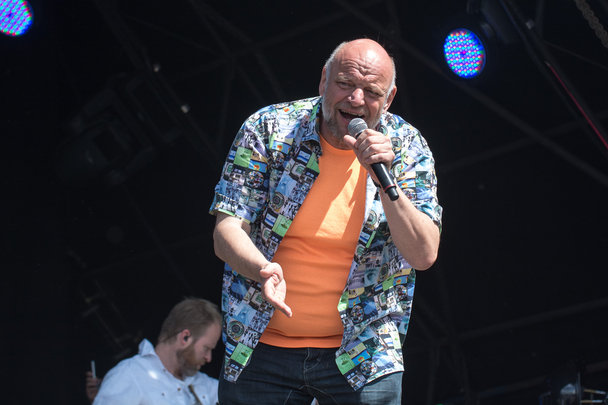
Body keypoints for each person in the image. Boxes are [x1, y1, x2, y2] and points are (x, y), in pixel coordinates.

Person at [210, 38, 442, 404]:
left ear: (389, 98)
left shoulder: (408, 147)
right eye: (345, 84)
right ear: (323, 80)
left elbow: (423, 254)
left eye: (372, 92)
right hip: (261, 343)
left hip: (364, 348)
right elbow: (227, 231)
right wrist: (262, 269)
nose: (356, 99)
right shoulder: (270, 128)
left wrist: (385, 182)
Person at [91, 298, 222, 405]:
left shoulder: (204, 384)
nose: (209, 358)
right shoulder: (129, 376)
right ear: (185, 338)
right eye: (206, 348)